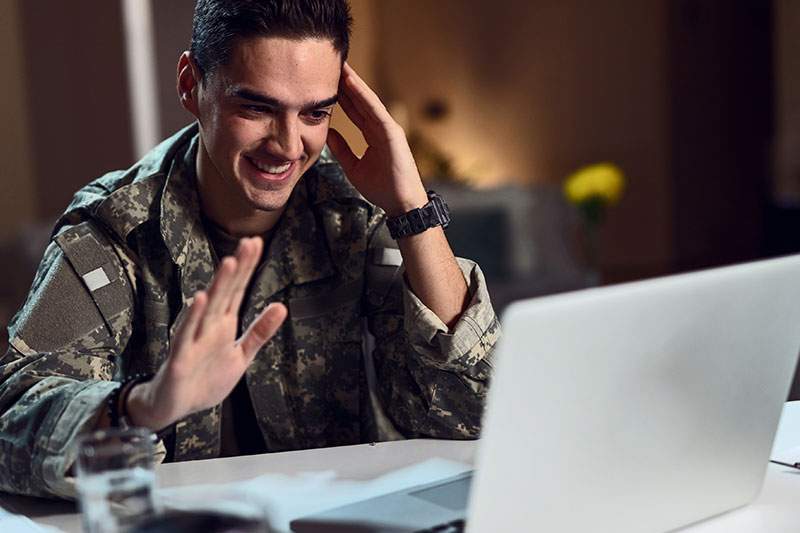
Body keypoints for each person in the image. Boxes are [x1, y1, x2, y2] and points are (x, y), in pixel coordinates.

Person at [0, 0, 499, 499]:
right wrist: (143, 406)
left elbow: (471, 418)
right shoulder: (114, 229)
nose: (287, 145)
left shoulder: (353, 212)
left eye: (314, 112)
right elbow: (11, 418)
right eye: (257, 108)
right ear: (191, 85)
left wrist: (412, 208)